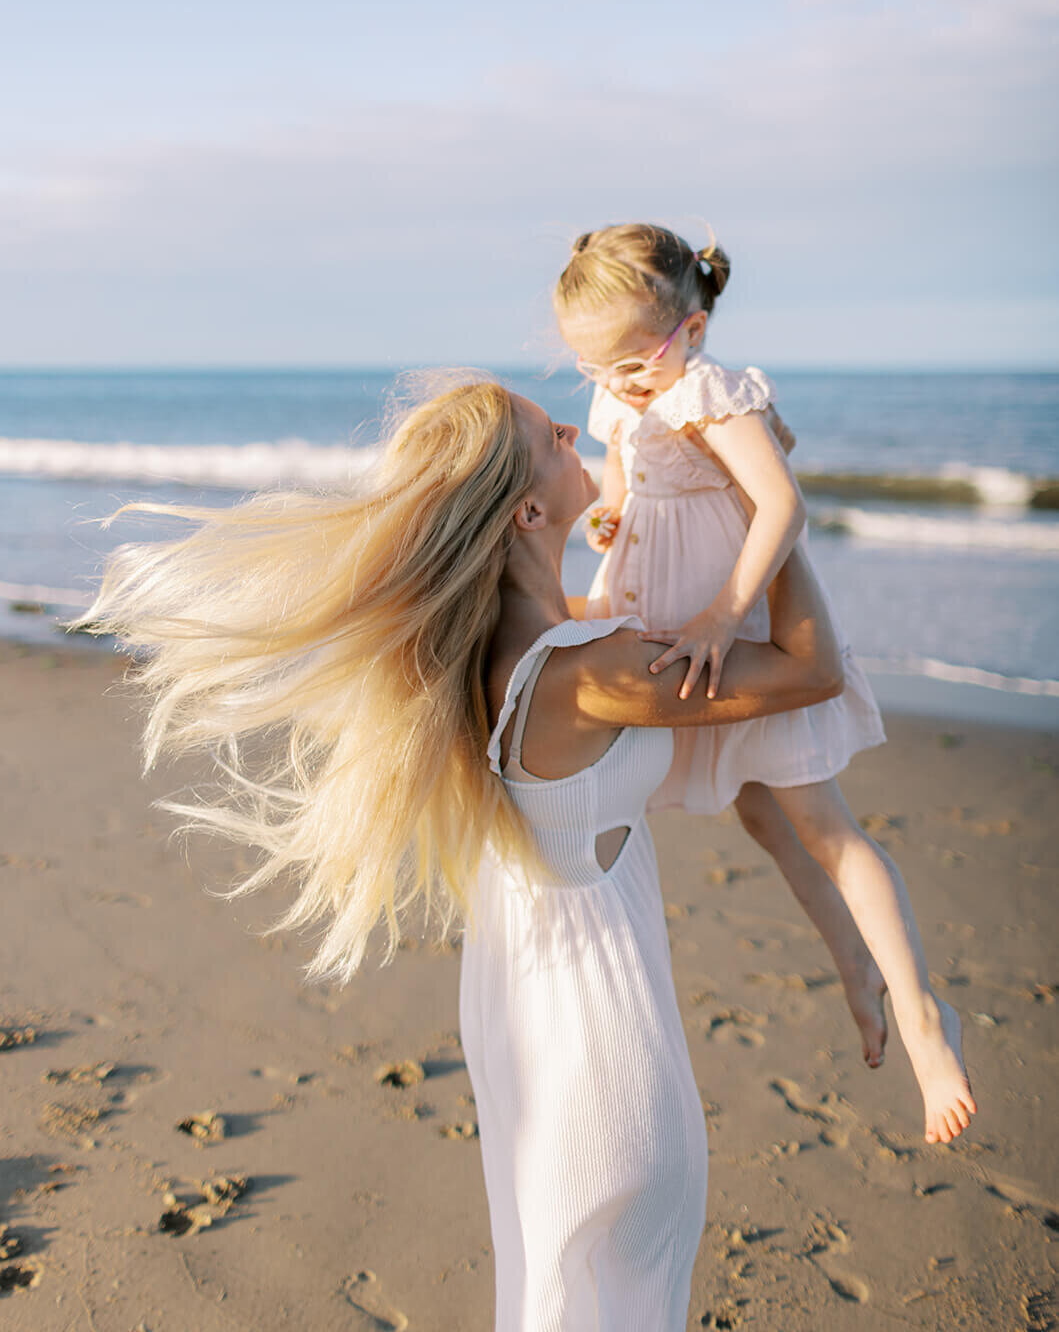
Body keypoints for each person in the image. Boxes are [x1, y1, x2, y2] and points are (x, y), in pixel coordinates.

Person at [78, 373, 850, 1332]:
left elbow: (633, 607)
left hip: (530, 1018)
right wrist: (765, 500)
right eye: (552, 434)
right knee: (620, 1291)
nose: (577, 427)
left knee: (558, 1291)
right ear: (527, 506)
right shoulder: (588, 672)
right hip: (597, 1038)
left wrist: (676, 512)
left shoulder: (512, 642)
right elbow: (812, 671)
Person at [553, 221, 977, 1148]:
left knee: (821, 823)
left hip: (728, 620)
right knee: (756, 815)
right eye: (594, 369)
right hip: (660, 614)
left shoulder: (711, 391)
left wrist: (720, 612)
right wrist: (609, 514)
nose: (615, 383)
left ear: (691, 331)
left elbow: (781, 504)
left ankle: (919, 1018)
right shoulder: (623, 399)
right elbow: (619, 482)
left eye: (631, 362)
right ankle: (851, 971)